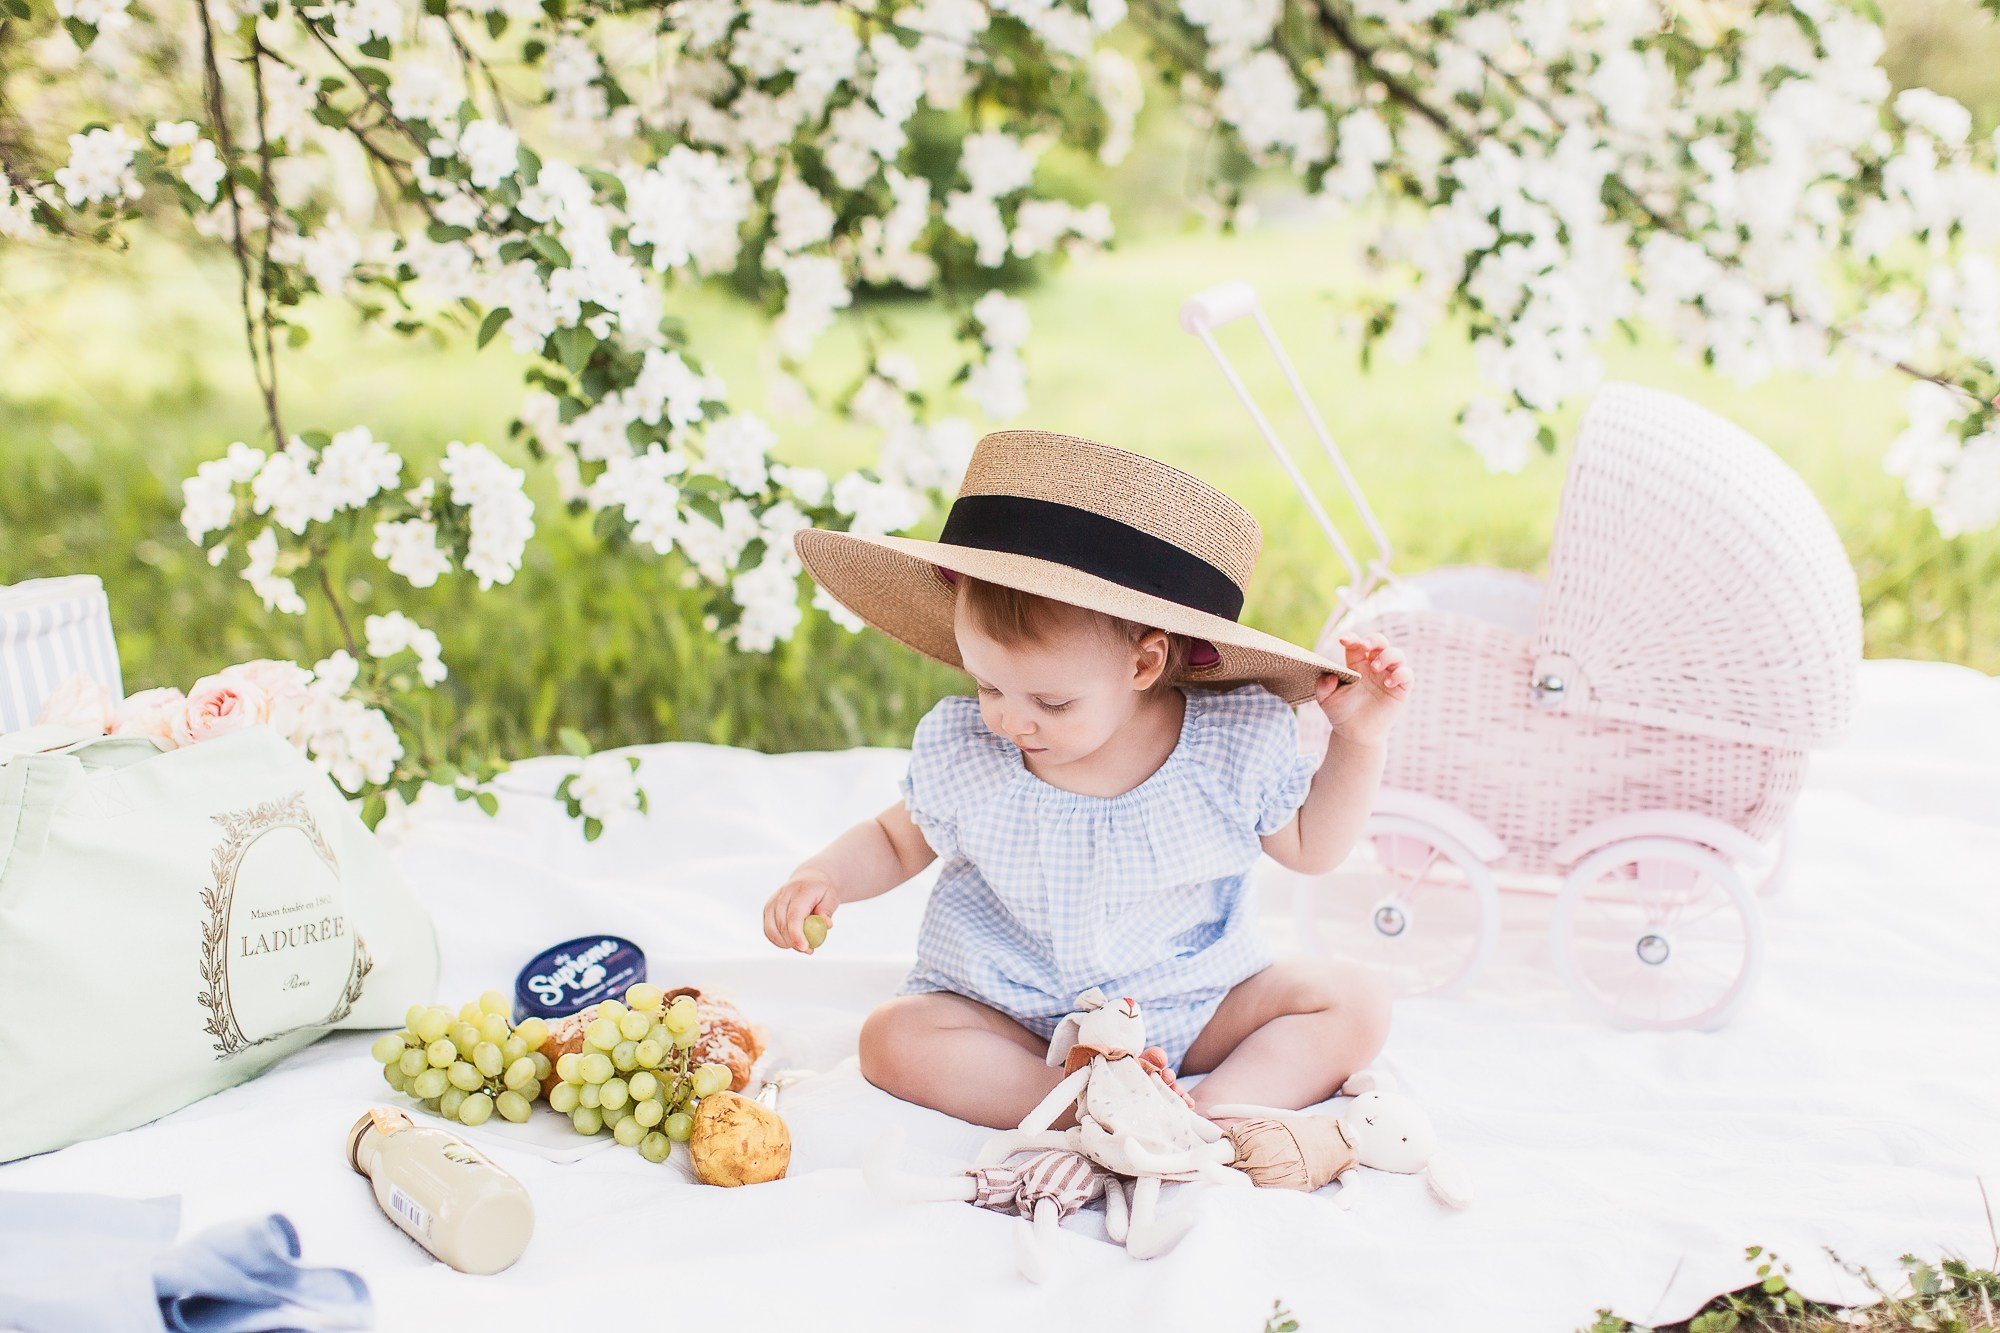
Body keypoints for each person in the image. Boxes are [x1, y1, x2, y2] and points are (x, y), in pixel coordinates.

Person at [763, 429, 1407, 1130]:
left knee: (1356, 1000)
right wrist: (826, 874)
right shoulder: (974, 751)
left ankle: (1206, 1117)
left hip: (1191, 1003)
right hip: (1015, 1014)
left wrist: (1357, 739)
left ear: (1143, 664)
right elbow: (894, 840)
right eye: (988, 684)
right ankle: (1085, 1108)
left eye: (1052, 702)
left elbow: (1314, 847)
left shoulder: (1228, 746)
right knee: (893, 1037)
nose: (1011, 720)